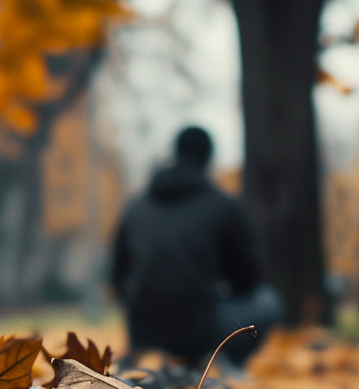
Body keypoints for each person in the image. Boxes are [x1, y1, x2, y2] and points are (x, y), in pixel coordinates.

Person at [111, 126, 281, 366]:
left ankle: (155, 356)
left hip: (142, 334)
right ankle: (229, 364)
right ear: (208, 157)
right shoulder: (223, 206)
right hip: (201, 332)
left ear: (175, 153)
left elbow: (117, 277)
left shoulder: (136, 207)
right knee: (267, 301)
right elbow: (248, 280)